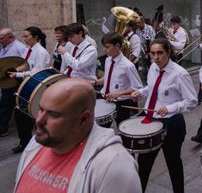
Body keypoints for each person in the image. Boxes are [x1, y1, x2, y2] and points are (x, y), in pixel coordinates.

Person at [14, 78, 142, 193]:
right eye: (41, 109)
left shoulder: (114, 168)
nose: (39, 120)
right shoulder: (38, 142)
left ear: (83, 119)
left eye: (53, 114)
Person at [131, 38, 197, 192]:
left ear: (168, 52)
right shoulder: (153, 67)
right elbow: (152, 88)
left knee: (173, 162)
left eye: (160, 53)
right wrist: (140, 92)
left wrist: (171, 107)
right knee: (144, 163)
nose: (156, 57)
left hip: (172, 123)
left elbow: (192, 101)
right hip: (151, 120)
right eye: (153, 54)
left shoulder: (180, 74)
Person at [8, 27, 50, 154]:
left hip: (35, 86)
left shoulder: (41, 52)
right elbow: (26, 65)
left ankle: (42, 143)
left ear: (36, 37)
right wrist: (18, 70)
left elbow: (37, 72)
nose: (24, 39)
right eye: (23, 36)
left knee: (36, 116)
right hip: (24, 84)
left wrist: (19, 75)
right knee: (21, 114)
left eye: (27, 36)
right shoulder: (28, 50)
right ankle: (25, 142)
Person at [94, 32, 143, 125]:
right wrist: (95, 82)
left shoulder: (128, 66)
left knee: (121, 129)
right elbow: (109, 77)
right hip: (106, 98)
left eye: (107, 47)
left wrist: (119, 93)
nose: (104, 50)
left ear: (117, 46)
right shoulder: (108, 60)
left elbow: (138, 87)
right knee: (101, 129)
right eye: (103, 46)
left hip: (121, 103)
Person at [0, 28, 27, 137]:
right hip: (6, 80)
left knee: (5, 104)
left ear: (10, 37)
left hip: (15, 80)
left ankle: (3, 129)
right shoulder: (4, 47)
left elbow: (26, 64)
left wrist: (16, 73)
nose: (0, 40)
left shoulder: (20, 47)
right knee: (4, 104)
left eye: (1, 38)